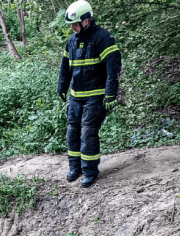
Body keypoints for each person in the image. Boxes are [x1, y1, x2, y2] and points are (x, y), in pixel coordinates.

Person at [57, 0, 122, 188]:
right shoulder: (71, 41)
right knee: (72, 132)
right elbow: (65, 68)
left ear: (87, 20)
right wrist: (62, 87)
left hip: (96, 96)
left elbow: (113, 68)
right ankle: (75, 168)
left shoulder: (103, 38)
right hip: (76, 96)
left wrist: (110, 95)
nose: (73, 28)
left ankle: (90, 171)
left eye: (76, 24)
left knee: (88, 133)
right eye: (72, 25)